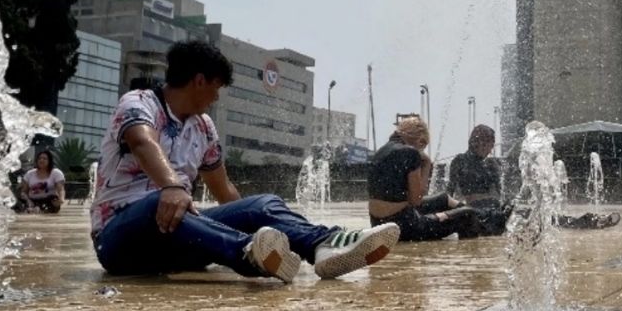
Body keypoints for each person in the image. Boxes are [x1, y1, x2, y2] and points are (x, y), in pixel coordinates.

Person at [90, 40, 399, 282]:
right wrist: (171, 186)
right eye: (216, 88)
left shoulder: (204, 127)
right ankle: (249, 253)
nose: (216, 97)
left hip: (179, 242)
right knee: (158, 203)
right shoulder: (140, 102)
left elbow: (224, 190)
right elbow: (142, 142)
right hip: (121, 242)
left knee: (261, 204)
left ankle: (325, 244)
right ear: (200, 81)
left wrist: (252, 218)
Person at [369, 117, 484, 241]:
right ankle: (472, 244)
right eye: (423, 147)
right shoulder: (410, 153)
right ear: (420, 140)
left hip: (378, 223)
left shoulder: (381, 152)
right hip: (403, 227)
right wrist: (427, 163)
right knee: (468, 215)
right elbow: (416, 200)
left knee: (443, 199)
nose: (422, 151)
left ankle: (482, 218)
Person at [20, 148, 66, 213]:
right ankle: (32, 209)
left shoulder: (56, 173)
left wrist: (61, 199)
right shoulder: (29, 174)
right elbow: (24, 192)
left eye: (44, 158)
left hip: (49, 201)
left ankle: (37, 210)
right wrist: (28, 201)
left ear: (49, 161)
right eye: (39, 158)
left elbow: (61, 189)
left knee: (50, 203)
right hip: (33, 200)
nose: (41, 160)